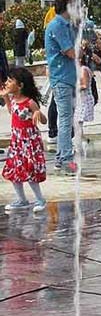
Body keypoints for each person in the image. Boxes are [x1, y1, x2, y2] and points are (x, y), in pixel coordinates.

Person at [1, 67, 48, 213]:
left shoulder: (29, 102)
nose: (7, 83)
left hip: (29, 142)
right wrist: (5, 97)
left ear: (20, 85)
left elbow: (44, 121)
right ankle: (22, 200)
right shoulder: (14, 99)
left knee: (30, 171)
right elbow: (11, 111)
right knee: (15, 170)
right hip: (17, 141)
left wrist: (38, 113)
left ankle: (40, 199)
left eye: (10, 81)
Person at [44, 0, 78, 173]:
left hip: (68, 77)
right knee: (65, 120)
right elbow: (70, 52)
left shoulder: (66, 25)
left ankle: (61, 157)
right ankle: (65, 159)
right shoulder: (57, 25)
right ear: (68, 5)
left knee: (68, 118)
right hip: (62, 78)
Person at [77, 51, 95, 130]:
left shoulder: (83, 70)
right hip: (80, 99)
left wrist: (74, 88)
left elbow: (85, 85)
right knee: (77, 121)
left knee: (78, 121)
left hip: (84, 99)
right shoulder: (78, 70)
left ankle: (80, 138)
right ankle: (80, 137)